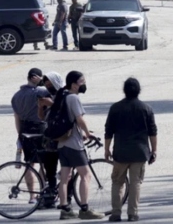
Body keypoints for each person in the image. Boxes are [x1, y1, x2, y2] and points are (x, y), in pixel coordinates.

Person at [104, 77, 158, 222]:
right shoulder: (146, 108)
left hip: (120, 152)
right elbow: (153, 131)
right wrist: (154, 150)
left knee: (117, 182)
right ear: (139, 90)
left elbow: (109, 131)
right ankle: (132, 214)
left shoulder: (115, 108)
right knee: (136, 183)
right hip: (140, 152)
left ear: (124, 90)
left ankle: (116, 213)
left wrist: (107, 149)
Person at [56, 71, 104, 220]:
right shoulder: (73, 98)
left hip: (62, 143)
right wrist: (88, 133)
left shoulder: (62, 96)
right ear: (74, 84)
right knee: (86, 175)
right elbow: (79, 119)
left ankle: (64, 209)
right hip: (74, 145)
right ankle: (84, 209)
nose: (83, 84)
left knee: (65, 177)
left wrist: (81, 133)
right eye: (81, 81)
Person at [11, 68, 49, 203]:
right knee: (44, 163)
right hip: (39, 128)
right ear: (34, 78)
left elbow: (17, 118)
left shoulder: (16, 96)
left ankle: (32, 196)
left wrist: (19, 135)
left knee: (29, 163)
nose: (43, 81)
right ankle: (45, 192)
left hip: (24, 129)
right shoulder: (41, 92)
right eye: (41, 78)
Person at [37, 71, 65, 208]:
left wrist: (52, 104)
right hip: (50, 140)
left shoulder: (65, 95)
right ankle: (50, 196)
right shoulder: (48, 96)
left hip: (63, 138)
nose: (49, 88)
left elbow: (66, 112)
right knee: (50, 170)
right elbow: (42, 117)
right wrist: (40, 106)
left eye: (51, 85)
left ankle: (67, 196)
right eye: (47, 86)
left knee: (67, 169)